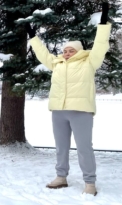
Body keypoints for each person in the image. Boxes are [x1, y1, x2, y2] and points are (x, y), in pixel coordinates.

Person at [25, 2, 111, 196]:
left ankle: (89, 182)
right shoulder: (57, 64)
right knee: (61, 147)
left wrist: (104, 22)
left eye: (71, 50)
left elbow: (100, 45)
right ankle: (61, 177)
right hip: (59, 111)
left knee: (84, 148)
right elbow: (42, 54)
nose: (67, 52)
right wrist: (32, 36)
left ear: (79, 51)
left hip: (81, 110)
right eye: (65, 50)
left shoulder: (89, 61)